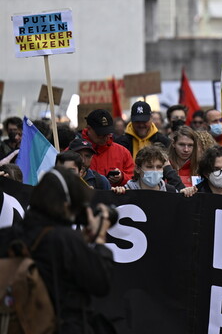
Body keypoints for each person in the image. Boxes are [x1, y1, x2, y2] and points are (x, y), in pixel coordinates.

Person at [0, 166, 114, 333]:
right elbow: (101, 282)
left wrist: (81, 240)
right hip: (61, 325)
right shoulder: (65, 240)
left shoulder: (7, 236)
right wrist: (100, 237)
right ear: (67, 205)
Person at [81, 109, 134, 187]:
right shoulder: (75, 151)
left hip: (115, 198)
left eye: (108, 133)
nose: (105, 137)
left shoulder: (123, 152)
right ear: (89, 129)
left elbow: (133, 179)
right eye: (101, 134)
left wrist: (122, 178)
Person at [112, 145, 178, 193]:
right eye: (149, 167)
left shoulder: (171, 191)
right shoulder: (126, 191)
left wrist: (186, 192)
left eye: (159, 167)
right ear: (138, 169)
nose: (155, 171)